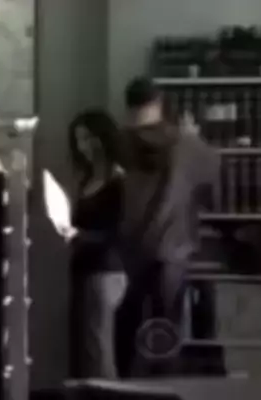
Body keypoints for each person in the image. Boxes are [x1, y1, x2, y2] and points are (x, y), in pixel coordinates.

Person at [112, 77, 219, 378]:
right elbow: (212, 186)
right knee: (166, 324)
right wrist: (194, 138)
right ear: (159, 103)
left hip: (131, 250)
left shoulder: (119, 142)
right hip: (173, 248)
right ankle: (163, 382)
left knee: (127, 320)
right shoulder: (185, 144)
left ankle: (126, 384)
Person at [67, 109, 127, 379]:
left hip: (106, 271)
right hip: (84, 268)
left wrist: (80, 236)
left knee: (100, 345)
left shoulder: (118, 181)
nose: (85, 146)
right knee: (87, 346)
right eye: (79, 140)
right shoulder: (87, 179)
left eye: (90, 138)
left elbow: (118, 233)